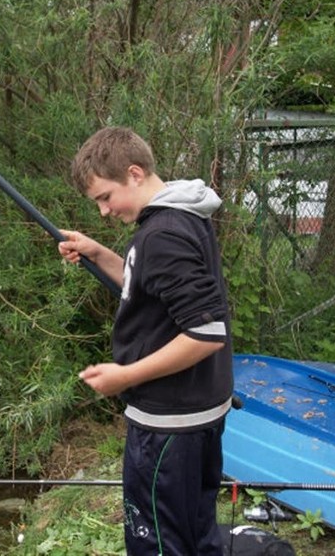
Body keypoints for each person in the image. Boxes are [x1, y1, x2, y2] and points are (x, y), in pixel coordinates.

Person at [58, 126, 233, 555]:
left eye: (104, 197)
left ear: (134, 173)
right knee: (197, 536)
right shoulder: (181, 217)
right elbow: (149, 289)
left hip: (168, 427)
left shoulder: (161, 236)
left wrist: (125, 375)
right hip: (197, 415)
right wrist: (100, 254)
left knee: (156, 542)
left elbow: (206, 333)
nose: (103, 211)